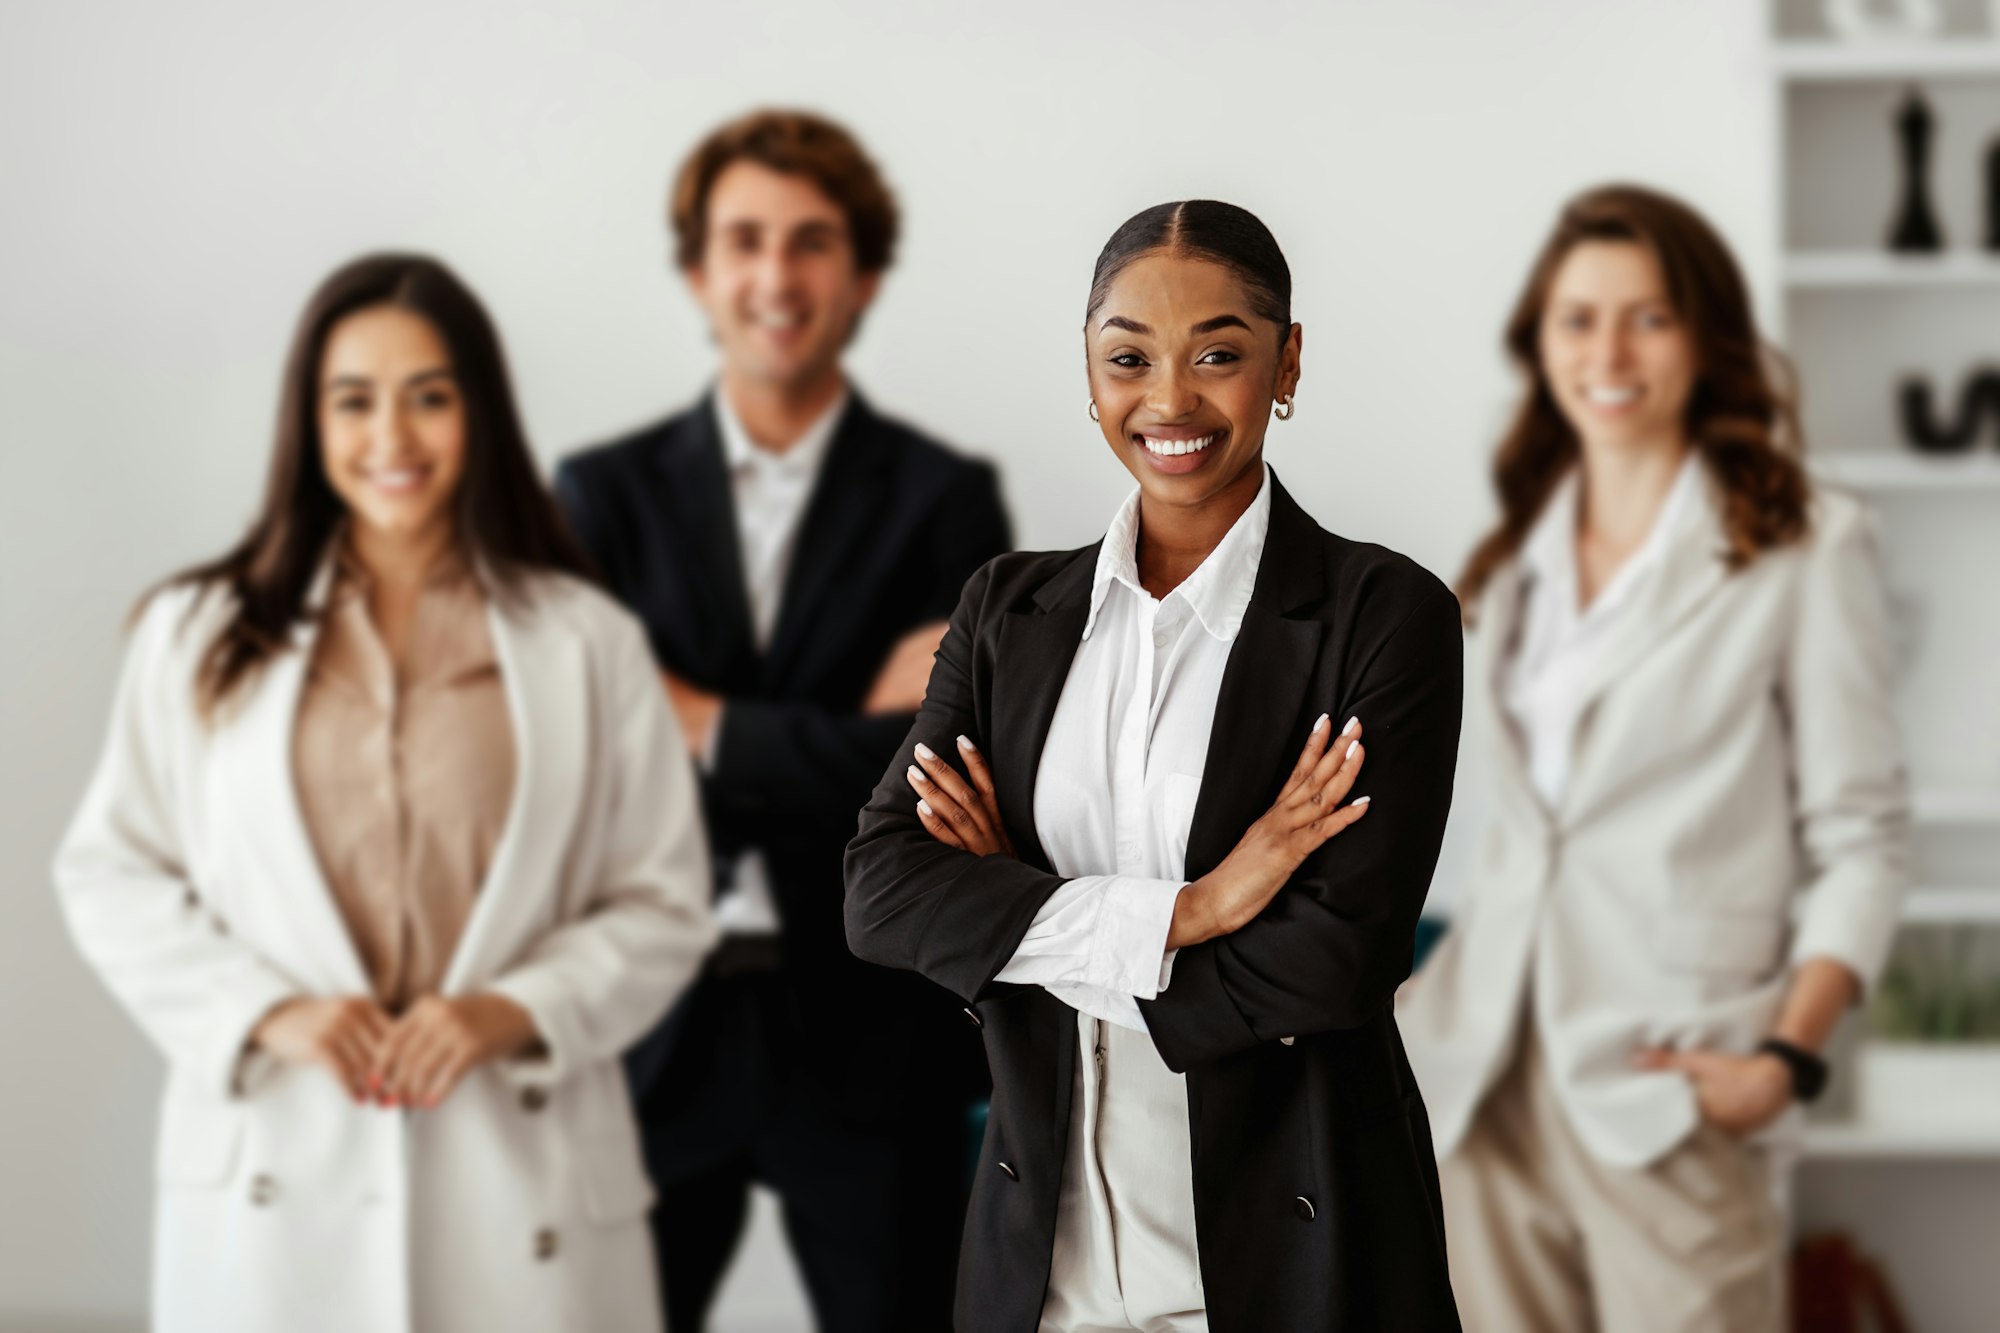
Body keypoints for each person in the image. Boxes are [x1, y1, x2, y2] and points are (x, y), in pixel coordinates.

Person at [53, 254, 716, 1333]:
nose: (390, 438)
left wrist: (517, 1009)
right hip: (276, 1173)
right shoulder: (198, 634)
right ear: (308, 424)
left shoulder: (585, 640)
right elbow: (112, 871)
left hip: (523, 1182)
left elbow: (664, 899)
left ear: (479, 414)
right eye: (353, 400)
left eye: (430, 398)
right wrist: (265, 1009)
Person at [845, 200, 1465, 1333]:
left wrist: (1010, 918)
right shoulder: (1006, 610)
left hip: (1292, 1263)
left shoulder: (1380, 616)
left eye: (1217, 355)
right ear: (1089, 375)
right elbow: (882, 896)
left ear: (1285, 361)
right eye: (1127, 358)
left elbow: (1331, 963)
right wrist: (1191, 911)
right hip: (1044, 1272)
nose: (1168, 400)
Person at [1396, 185, 1910, 1331]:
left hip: (1673, 1076)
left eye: (1648, 317)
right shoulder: (1512, 551)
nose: (1607, 351)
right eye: (1575, 319)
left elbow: (1860, 838)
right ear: (1538, 342)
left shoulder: (1802, 543)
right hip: (1481, 1076)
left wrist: (1785, 1055)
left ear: (1703, 338)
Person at [554, 109, 1012, 1333]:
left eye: (811, 242)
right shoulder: (599, 497)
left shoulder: (941, 499)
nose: (775, 275)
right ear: (698, 271)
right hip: (649, 1034)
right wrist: (833, 737)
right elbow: (581, 760)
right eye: (743, 239)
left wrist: (697, 722)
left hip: (870, 1037)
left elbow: (936, 775)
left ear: (860, 278)